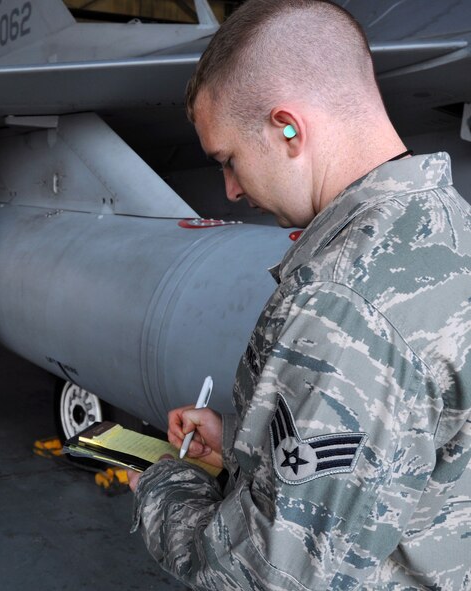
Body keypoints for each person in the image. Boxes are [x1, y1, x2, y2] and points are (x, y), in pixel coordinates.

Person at [129, 1, 471, 589]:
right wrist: (246, 438)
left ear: (288, 128)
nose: (231, 190)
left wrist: (164, 486)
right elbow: (411, 445)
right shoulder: (449, 223)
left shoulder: (343, 303)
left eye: (228, 160)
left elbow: (271, 577)